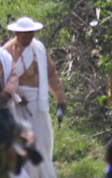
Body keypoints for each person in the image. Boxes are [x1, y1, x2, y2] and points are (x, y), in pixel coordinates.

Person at [4, 17, 67, 178]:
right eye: (23, 35)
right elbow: (3, 79)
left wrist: (60, 98)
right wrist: (16, 94)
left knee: (43, 143)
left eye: (30, 34)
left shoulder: (38, 49)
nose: (27, 38)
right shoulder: (6, 52)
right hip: (18, 107)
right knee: (24, 143)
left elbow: (51, 74)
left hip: (38, 105)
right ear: (16, 33)